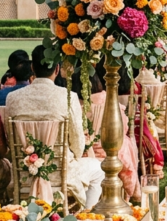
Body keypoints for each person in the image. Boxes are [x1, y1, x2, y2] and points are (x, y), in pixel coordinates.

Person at [6, 45, 106, 210]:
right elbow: (77, 143)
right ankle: (86, 216)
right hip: (61, 172)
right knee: (98, 169)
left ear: (32, 68)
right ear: (57, 69)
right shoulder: (68, 97)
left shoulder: (12, 98)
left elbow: (10, 139)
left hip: (24, 172)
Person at [84, 68, 140, 200]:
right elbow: (123, 127)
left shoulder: (75, 102)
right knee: (125, 142)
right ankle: (130, 193)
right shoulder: (107, 98)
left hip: (85, 153)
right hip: (110, 151)